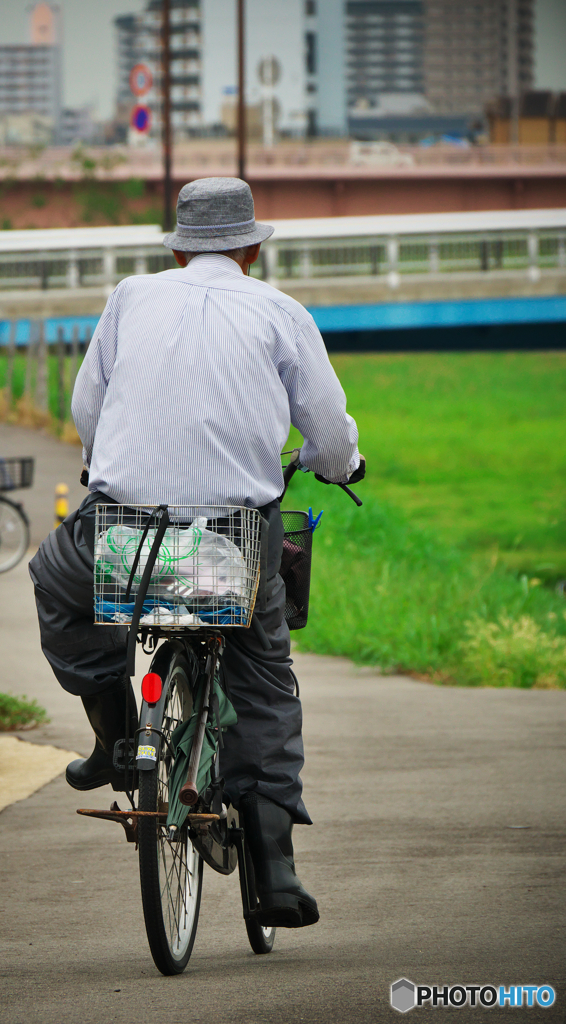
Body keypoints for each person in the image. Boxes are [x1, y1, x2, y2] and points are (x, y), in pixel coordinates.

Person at [29, 177, 363, 930]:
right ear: (250, 246)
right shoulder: (279, 311)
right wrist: (340, 468)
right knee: (262, 675)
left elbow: (89, 403)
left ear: (178, 248)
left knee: (56, 580)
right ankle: (274, 869)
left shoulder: (129, 297)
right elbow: (329, 433)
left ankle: (116, 737)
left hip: (126, 529)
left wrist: (102, 462)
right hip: (230, 537)